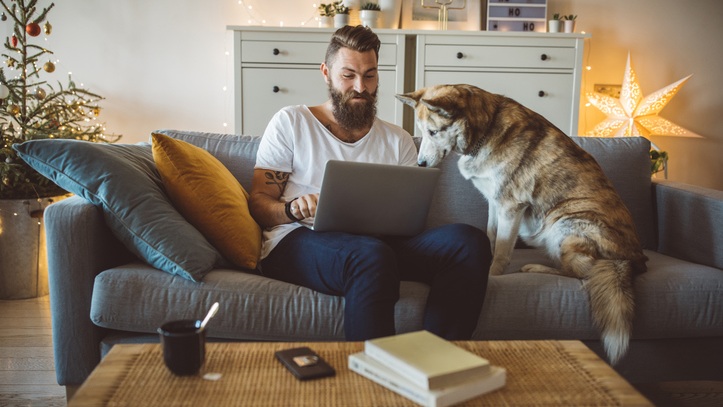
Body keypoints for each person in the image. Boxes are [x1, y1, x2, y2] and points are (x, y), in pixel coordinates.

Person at [249, 25, 491, 341]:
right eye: (348, 75)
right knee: (369, 254)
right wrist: (293, 209)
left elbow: (409, 220)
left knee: (469, 241)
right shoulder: (291, 122)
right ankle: (371, 379)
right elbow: (259, 203)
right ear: (326, 73)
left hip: (379, 246)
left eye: (370, 75)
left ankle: (436, 358)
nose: (360, 87)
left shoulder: (398, 140)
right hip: (298, 239)